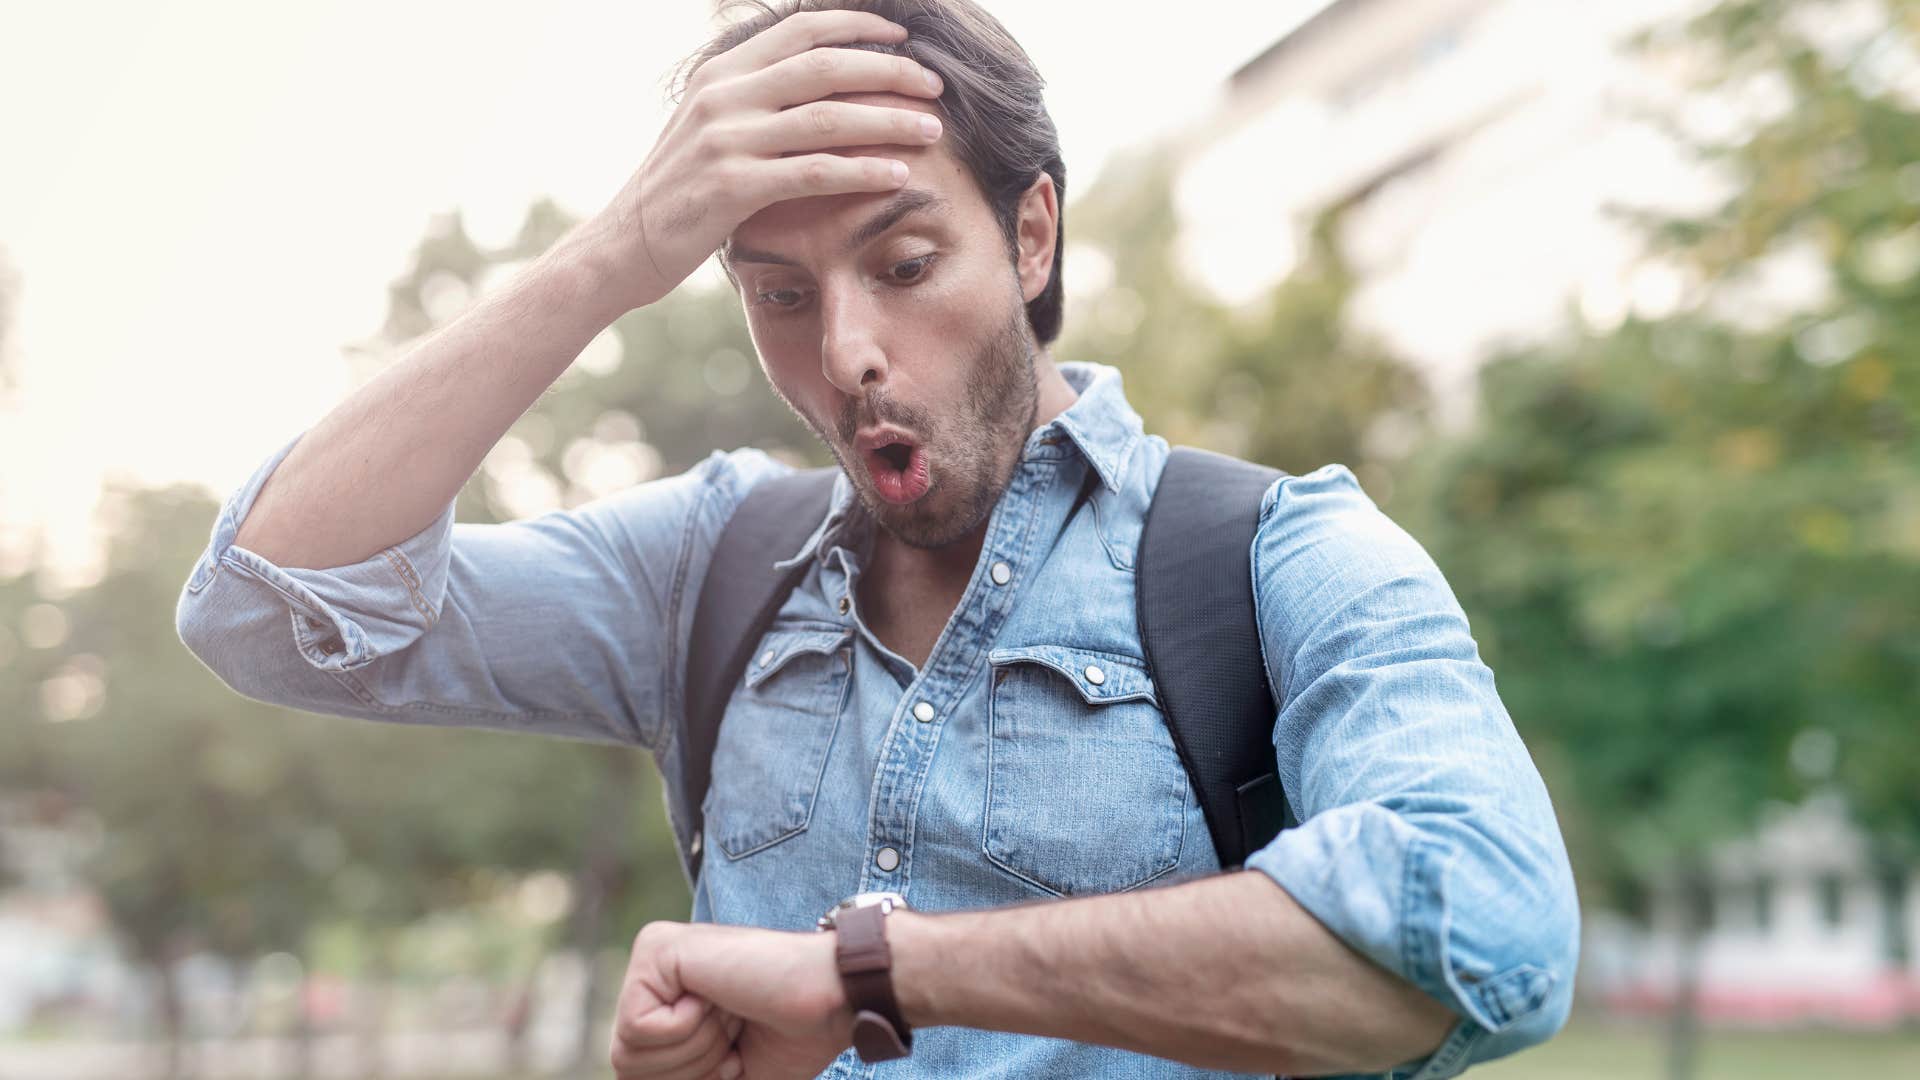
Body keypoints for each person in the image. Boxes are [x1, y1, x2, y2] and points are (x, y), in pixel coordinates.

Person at [175, 2, 1578, 1077]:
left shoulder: (1278, 558)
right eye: (778, 294)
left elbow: (1490, 932)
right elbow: (269, 609)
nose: (845, 352)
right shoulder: (706, 568)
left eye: (904, 267)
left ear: (1031, 239)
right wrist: (614, 255)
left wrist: (875, 972)